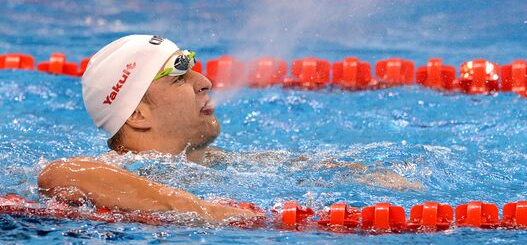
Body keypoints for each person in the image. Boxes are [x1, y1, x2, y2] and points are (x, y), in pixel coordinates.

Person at [38, 35, 421, 223]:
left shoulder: (215, 163)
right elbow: (61, 173)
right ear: (138, 115)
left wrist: (359, 174)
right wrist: (203, 210)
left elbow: (286, 165)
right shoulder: (114, 172)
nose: (204, 81)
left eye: (195, 68)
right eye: (179, 78)